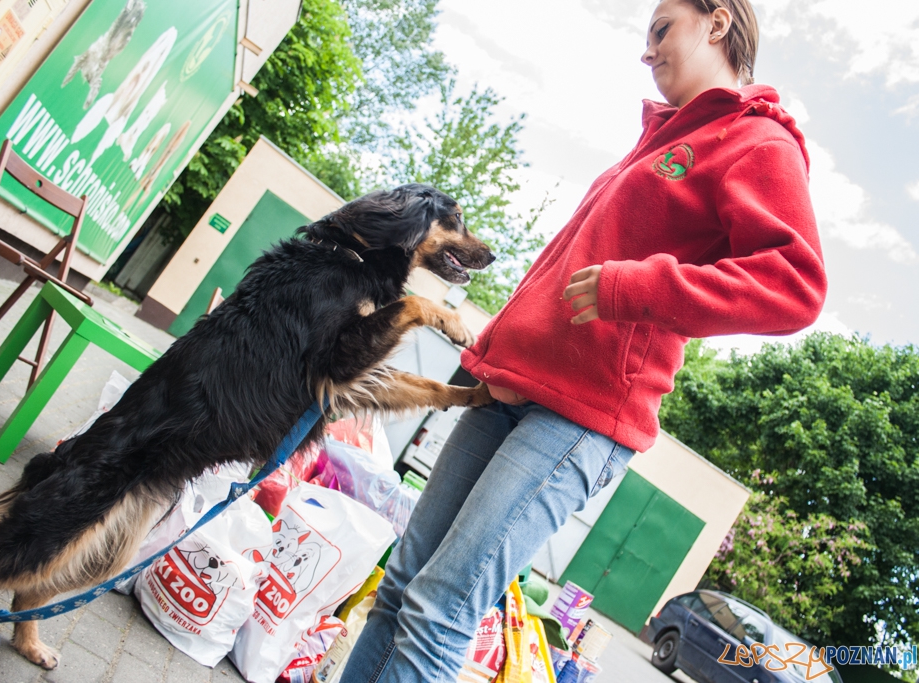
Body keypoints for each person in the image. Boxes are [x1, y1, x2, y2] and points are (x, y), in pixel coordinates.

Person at [343, 0, 826, 680]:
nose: (647, 49)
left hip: (581, 413)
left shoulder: (757, 142)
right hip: (509, 389)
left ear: (717, 21)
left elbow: (794, 283)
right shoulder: (655, 142)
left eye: (663, 29)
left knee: (440, 608)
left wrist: (639, 286)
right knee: (401, 587)